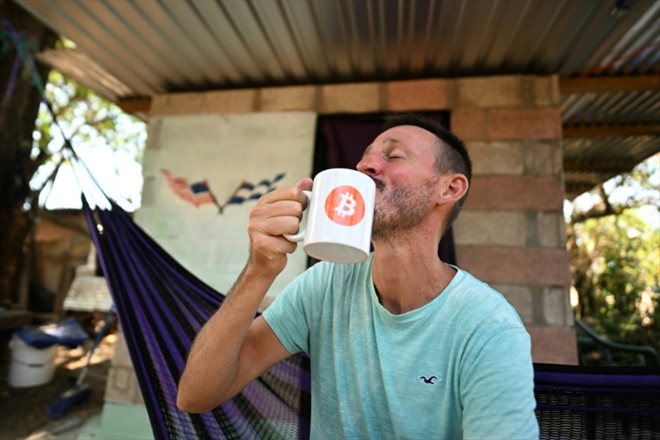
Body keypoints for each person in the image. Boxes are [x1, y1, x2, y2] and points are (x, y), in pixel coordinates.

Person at [177, 114, 539, 439]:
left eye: (393, 156)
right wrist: (259, 270)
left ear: (449, 188)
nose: (366, 164)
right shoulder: (326, 285)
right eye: (366, 156)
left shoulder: (489, 327)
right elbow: (196, 395)